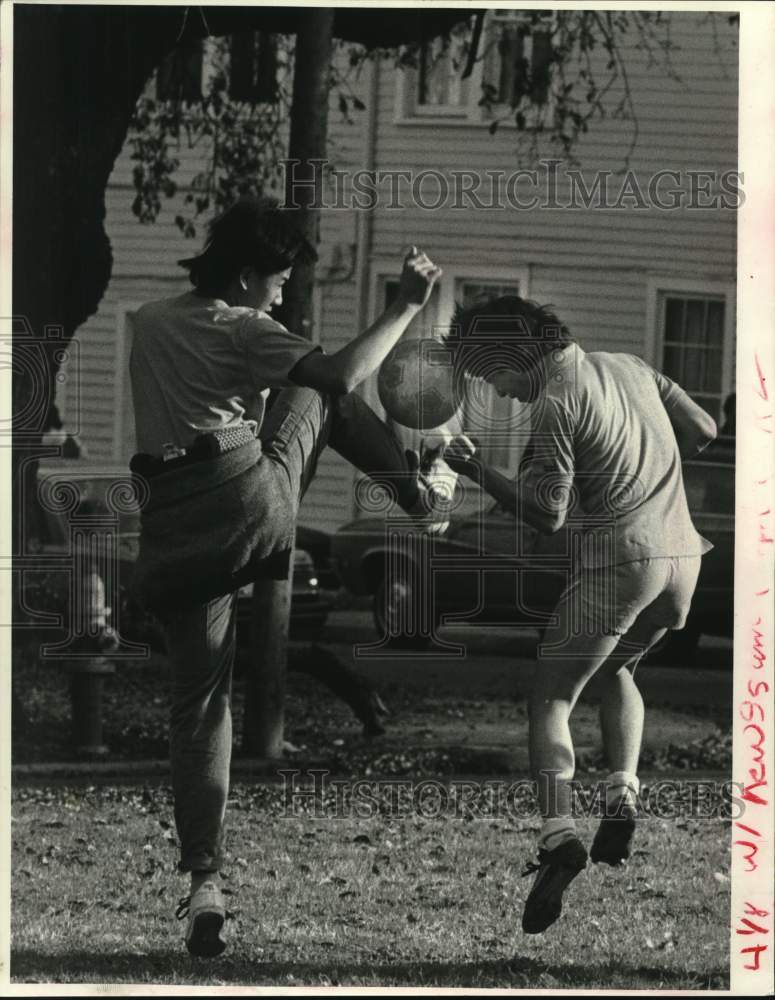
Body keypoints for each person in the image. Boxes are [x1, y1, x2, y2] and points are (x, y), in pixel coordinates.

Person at [128, 197, 447, 956]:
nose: (281, 293)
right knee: (322, 390)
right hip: (244, 500)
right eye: (276, 281)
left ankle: (203, 880)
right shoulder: (241, 325)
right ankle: (419, 498)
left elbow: (198, 396)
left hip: (172, 533)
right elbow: (340, 375)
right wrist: (404, 303)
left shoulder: (148, 320)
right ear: (244, 277)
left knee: (198, 706)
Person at [442, 295, 717, 935]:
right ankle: (622, 792)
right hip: (683, 561)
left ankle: (558, 834)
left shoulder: (556, 404)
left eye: (492, 376)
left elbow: (547, 514)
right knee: (619, 670)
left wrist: (479, 470)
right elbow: (702, 429)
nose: (501, 395)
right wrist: (646, 456)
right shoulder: (631, 364)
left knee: (551, 697)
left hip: (622, 560)